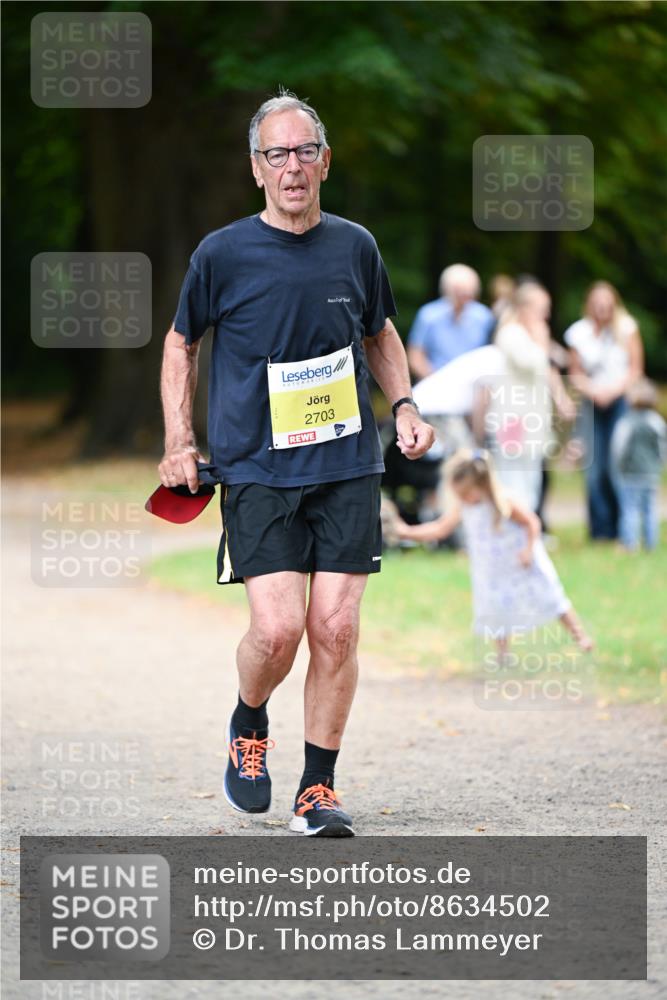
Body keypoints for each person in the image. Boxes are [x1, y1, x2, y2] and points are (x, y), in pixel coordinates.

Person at [158, 92, 434, 838]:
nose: (292, 167)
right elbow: (181, 344)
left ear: (325, 161)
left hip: (346, 461)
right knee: (277, 631)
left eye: (304, 151)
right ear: (256, 168)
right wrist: (179, 439)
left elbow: (379, 332)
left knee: (335, 629)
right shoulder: (221, 254)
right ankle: (249, 721)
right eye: (276, 154)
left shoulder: (355, 247)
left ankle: (317, 789)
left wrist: (403, 405)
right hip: (255, 466)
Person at [394, 449, 593, 655]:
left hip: (520, 562)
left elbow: (532, 522)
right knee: (497, 609)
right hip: (492, 570)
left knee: (551, 597)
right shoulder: (464, 506)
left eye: (465, 493)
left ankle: (581, 637)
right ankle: (503, 653)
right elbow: (440, 528)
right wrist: (408, 532)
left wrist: (528, 549)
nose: (462, 498)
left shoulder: (504, 502)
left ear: (482, 485)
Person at [485, 282, 575, 512]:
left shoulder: (532, 336)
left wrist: (561, 398)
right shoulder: (510, 333)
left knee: (531, 477)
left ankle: (529, 530)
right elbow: (531, 362)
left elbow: (555, 364)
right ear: (524, 308)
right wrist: (542, 340)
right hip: (512, 417)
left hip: (533, 418)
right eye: (541, 308)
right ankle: (515, 529)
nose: (546, 315)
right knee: (513, 478)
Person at [564, 281, 644, 540]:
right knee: (594, 466)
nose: (602, 309)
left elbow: (635, 368)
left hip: (619, 401)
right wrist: (594, 391)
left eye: (606, 305)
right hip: (591, 403)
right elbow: (575, 373)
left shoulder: (627, 328)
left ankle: (624, 526)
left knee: (617, 463)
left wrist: (614, 390)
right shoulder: (579, 333)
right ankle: (600, 530)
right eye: (597, 304)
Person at [407, 264, 494, 380]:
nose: (464, 297)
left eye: (469, 292)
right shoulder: (429, 315)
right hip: (435, 383)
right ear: (447, 290)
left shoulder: (484, 316)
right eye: (459, 292)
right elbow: (415, 355)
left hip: (473, 386)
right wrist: (435, 379)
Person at [610, 377, 666, 552]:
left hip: (631, 473)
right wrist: (659, 465)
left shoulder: (627, 422)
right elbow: (663, 448)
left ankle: (630, 543)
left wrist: (618, 466)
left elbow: (618, 448)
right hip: (651, 474)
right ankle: (651, 543)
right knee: (650, 509)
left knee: (630, 509)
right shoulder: (657, 422)